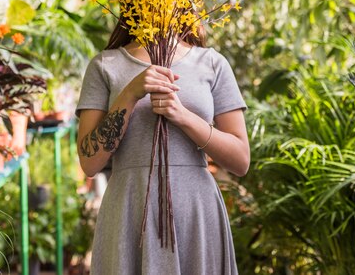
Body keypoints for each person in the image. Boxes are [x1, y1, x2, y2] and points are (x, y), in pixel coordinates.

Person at [75, 18, 249, 275]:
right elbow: (90, 162)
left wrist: (184, 117)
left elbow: (241, 160)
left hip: (196, 214)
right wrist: (130, 94)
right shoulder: (104, 65)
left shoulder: (212, 63)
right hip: (129, 212)